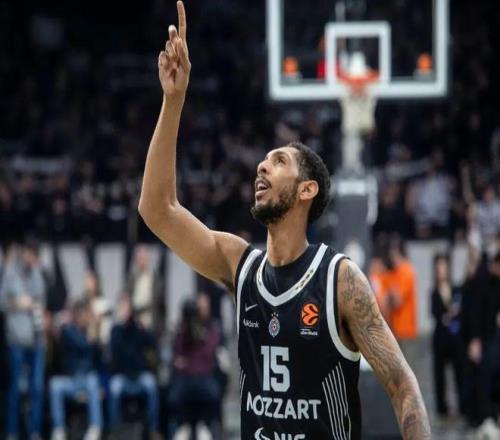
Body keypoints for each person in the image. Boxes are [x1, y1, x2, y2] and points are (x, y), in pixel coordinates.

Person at [138, 2, 430, 438]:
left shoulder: (339, 281)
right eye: (263, 160)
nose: (261, 166)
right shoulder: (239, 265)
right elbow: (157, 210)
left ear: (307, 190)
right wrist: (173, 100)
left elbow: (403, 386)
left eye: (278, 161)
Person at [0, 242, 46, 440]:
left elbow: (41, 302)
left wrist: (35, 305)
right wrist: (19, 303)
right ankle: (12, 432)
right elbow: (2, 303)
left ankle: (35, 432)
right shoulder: (11, 273)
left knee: (37, 388)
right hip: (17, 340)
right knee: (16, 389)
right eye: (31, 254)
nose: (32, 259)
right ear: (24, 253)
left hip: (36, 340)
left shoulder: (37, 273)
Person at [168, 293, 221, 439]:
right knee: (173, 397)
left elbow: (208, 354)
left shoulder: (212, 329)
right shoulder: (183, 329)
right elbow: (176, 357)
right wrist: (185, 328)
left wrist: (189, 361)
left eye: (205, 308)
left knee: (212, 393)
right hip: (186, 378)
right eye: (199, 308)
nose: (202, 311)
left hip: (205, 377)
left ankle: (209, 428)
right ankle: (179, 428)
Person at [49, 299, 102, 440]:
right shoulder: (68, 331)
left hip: (86, 380)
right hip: (71, 379)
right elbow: (81, 345)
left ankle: (95, 427)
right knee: (55, 385)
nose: (84, 317)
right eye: (82, 314)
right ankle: (59, 429)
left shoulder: (90, 332)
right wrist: (91, 337)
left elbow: (98, 358)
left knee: (93, 381)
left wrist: (95, 337)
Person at [108, 295, 159, 437]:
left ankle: (152, 429)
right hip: (122, 376)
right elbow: (116, 353)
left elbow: (152, 343)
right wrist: (123, 325)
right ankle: (114, 429)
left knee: (151, 386)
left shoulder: (137, 328)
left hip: (139, 375)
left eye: (127, 308)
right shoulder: (115, 330)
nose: (125, 311)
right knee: (114, 389)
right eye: (122, 308)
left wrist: (142, 327)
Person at [430, 253, 464, 418]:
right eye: (439, 268)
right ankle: (442, 407)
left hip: (455, 339)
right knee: (440, 375)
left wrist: (450, 315)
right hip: (440, 339)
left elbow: (459, 311)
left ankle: (462, 404)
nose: (441, 270)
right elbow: (437, 314)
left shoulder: (455, 289)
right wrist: (449, 314)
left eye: (443, 267)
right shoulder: (434, 292)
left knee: (459, 372)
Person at [127, 246, 164, 335]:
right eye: (139, 259)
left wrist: (161, 327)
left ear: (148, 259)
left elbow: (161, 305)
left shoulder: (156, 278)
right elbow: (127, 298)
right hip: (134, 321)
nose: (141, 261)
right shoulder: (132, 278)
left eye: (144, 258)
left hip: (151, 321)